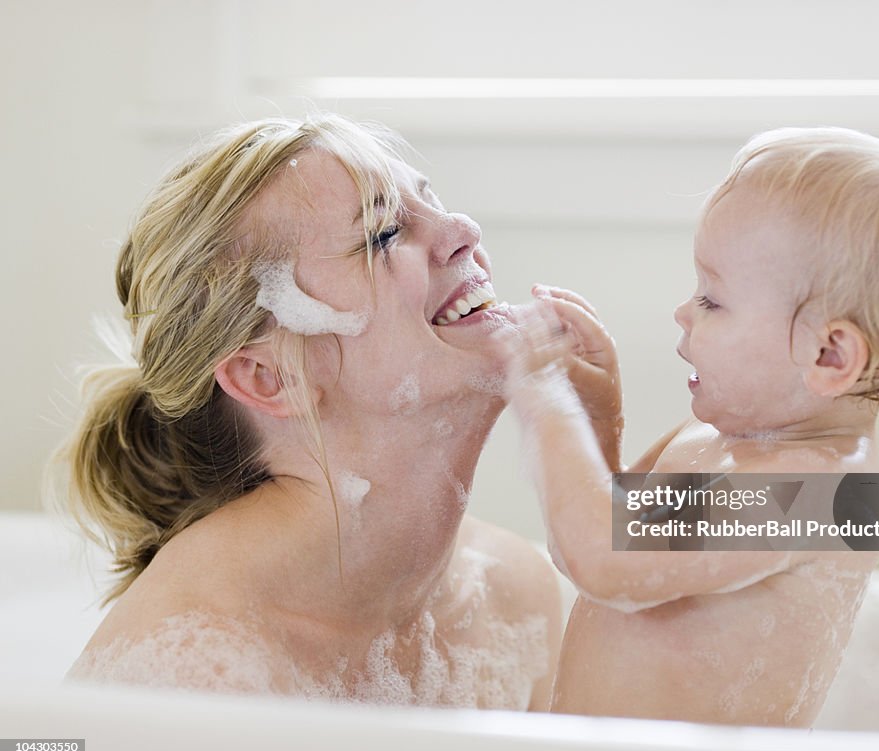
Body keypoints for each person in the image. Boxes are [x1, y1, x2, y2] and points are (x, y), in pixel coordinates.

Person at [51, 114, 565, 709]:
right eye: (383, 236)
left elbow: (675, 557)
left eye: (433, 201)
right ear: (270, 377)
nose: (463, 229)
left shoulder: (512, 590)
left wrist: (609, 451)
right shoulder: (196, 673)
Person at [499, 127, 879, 725]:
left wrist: (544, 395)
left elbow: (602, 560)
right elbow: (585, 546)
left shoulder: (817, 493)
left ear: (829, 356)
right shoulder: (713, 440)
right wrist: (599, 411)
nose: (683, 311)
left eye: (712, 300)